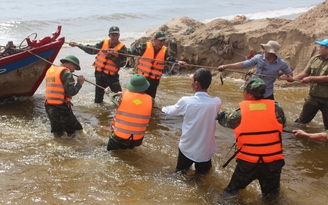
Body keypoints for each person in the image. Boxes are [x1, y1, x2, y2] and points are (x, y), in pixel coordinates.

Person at [217, 77, 286, 197]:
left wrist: (217, 113)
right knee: (272, 197)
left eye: (244, 91)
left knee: (229, 194)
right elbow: (282, 124)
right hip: (272, 163)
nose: (243, 93)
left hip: (248, 164)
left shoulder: (240, 113)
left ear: (250, 95)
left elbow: (225, 120)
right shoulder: (276, 109)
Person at [161, 68, 221, 174]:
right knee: (202, 176)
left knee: (179, 174)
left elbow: (171, 111)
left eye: (191, 81)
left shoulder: (186, 101)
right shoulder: (216, 102)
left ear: (196, 84)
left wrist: (163, 108)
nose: (191, 83)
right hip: (205, 150)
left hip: (188, 148)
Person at [68, 26, 127, 103]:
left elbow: (122, 64)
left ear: (119, 35)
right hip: (99, 74)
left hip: (112, 77)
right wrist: (78, 45)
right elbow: (91, 50)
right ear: (109, 35)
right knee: (98, 100)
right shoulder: (103, 43)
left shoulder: (122, 48)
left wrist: (111, 56)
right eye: (113, 35)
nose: (115, 37)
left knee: (118, 97)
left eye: (116, 35)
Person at [218, 40, 293, 100]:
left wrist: (285, 78)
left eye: (267, 50)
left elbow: (290, 76)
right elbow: (244, 64)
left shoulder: (282, 63)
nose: (265, 51)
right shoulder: (258, 58)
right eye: (265, 49)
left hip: (267, 94)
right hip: (254, 93)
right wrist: (225, 66)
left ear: (273, 53)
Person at [128, 31, 187, 99]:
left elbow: (169, 59)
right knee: (138, 98)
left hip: (154, 81)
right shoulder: (144, 47)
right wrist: (117, 52)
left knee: (150, 99)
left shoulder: (164, 51)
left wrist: (178, 63)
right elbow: (131, 52)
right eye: (160, 40)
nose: (162, 42)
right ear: (154, 40)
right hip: (142, 79)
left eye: (164, 40)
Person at [288, 38, 328, 130]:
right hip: (313, 97)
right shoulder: (314, 59)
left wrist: (311, 78)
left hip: (327, 100)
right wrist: (293, 79)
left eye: (321, 46)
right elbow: (305, 73)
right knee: (300, 123)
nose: (318, 48)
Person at [107, 74, 153, 151]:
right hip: (136, 140)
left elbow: (113, 97)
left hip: (118, 137)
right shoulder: (151, 100)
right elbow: (137, 102)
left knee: (109, 153)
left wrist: (108, 92)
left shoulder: (123, 96)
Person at [44, 55, 85, 138]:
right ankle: (77, 149)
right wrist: (79, 83)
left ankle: (59, 147)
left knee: (58, 132)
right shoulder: (66, 73)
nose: (74, 71)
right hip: (60, 108)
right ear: (70, 63)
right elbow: (71, 92)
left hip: (49, 106)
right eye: (74, 67)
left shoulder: (51, 70)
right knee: (77, 130)